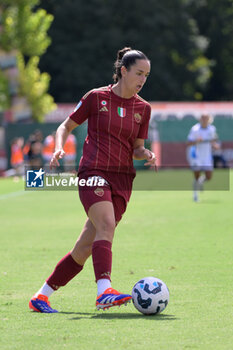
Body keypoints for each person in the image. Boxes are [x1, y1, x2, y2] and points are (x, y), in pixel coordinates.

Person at [29, 47, 157, 313]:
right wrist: (58, 147)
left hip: (122, 180)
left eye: (146, 75)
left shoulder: (143, 109)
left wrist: (145, 154)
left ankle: (41, 296)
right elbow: (66, 125)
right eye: (138, 73)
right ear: (123, 71)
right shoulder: (96, 97)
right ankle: (104, 291)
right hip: (93, 173)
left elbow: (136, 148)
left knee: (85, 246)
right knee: (107, 224)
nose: (143, 79)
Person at [187, 113, 219, 202]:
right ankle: (195, 195)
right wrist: (197, 141)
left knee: (209, 177)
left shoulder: (212, 129)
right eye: (203, 118)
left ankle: (200, 182)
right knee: (196, 175)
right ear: (200, 119)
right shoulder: (195, 129)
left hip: (207, 156)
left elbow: (213, 140)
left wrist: (215, 145)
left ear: (209, 119)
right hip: (196, 156)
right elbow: (188, 143)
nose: (204, 120)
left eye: (206, 118)